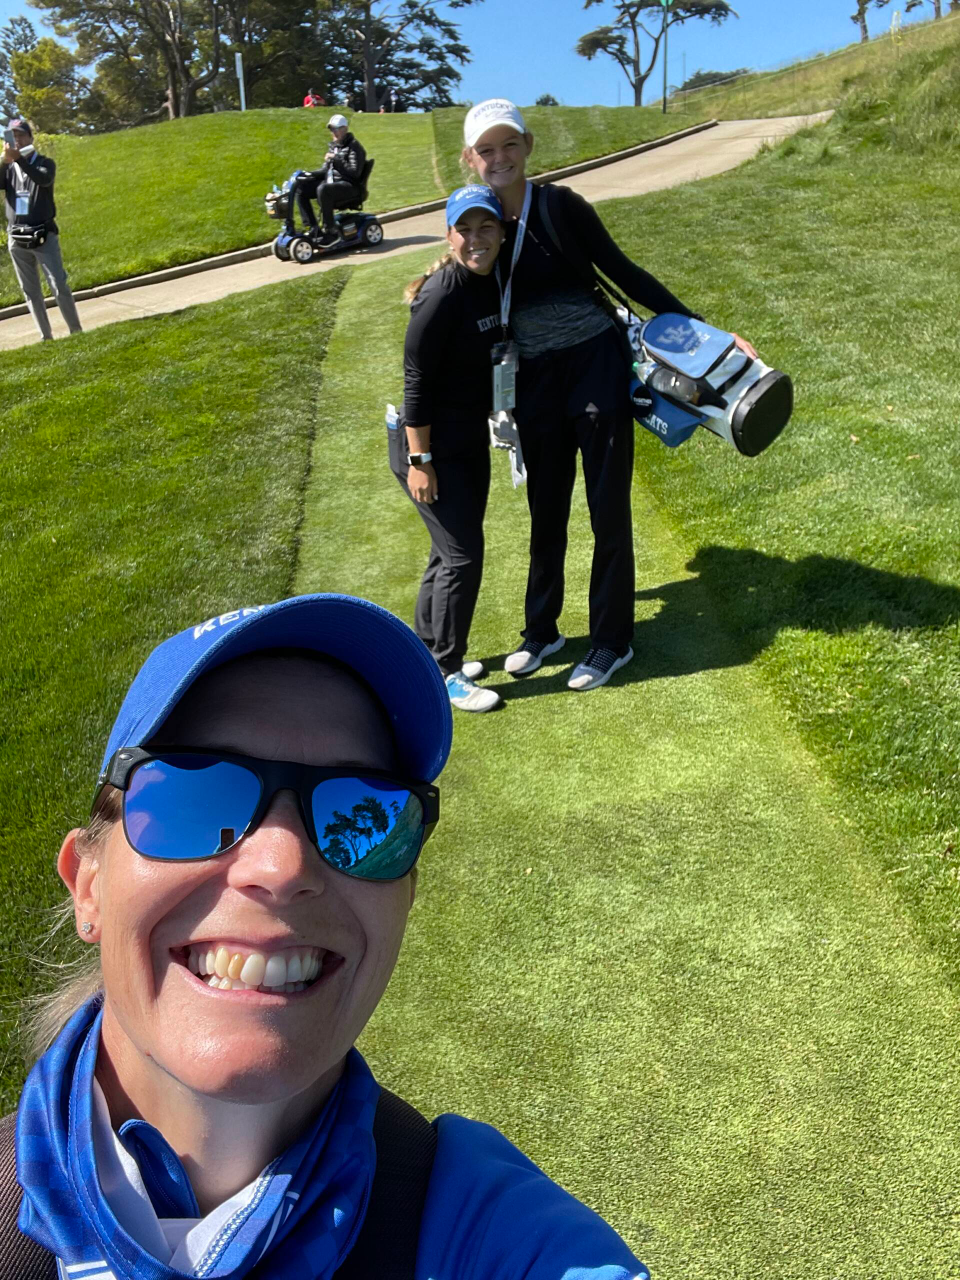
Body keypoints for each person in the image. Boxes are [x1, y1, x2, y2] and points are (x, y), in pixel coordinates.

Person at [5, 594, 652, 1280]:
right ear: (87, 884)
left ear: (405, 901)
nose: (283, 867)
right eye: (193, 796)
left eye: (363, 816)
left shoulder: (500, 1240)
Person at [461, 99, 757, 692]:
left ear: (528, 146)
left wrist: (710, 336)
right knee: (545, 509)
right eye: (487, 149)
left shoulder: (561, 207)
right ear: (472, 159)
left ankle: (610, 642)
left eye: (509, 145)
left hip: (595, 364)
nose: (500, 158)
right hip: (534, 380)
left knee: (606, 507)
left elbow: (625, 273)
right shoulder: (476, 220)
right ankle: (541, 631)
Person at [392, 186, 506, 714]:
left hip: (464, 442)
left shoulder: (492, 282)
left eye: (487, 228)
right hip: (429, 448)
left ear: (500, 232)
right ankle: (446, 670)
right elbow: (416, 385)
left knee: (448, 553)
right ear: (450, 235)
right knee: (463, 556)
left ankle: (423, 655)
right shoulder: (441, 295)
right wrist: (420, 462)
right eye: (467, 229)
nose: (477, 239)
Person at [1, 116, 81, 343]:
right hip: (16, 236)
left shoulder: (44, 162)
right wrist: (5, 161)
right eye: (12, 137)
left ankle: (76, 331)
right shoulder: (8, 169)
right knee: (30, 290)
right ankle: (46, 337)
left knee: (58, 284)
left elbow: (43, 180)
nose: (16, 141)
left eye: (20, 136)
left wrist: (21, 161)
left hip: (43, 234)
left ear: (30, 138)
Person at [288, 113, 366, 248]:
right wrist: (308, 175)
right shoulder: (334, 146)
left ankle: (332, 231)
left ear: (345, 129)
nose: (333, 132)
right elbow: (325, 170)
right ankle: (313, 228)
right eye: (332, 129)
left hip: (350, 186)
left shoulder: (354, 147)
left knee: (323, 189)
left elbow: (354, 173)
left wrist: (336, 159)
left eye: (336, 129)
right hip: (333, 183)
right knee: (301, 189)